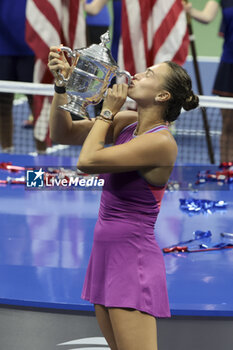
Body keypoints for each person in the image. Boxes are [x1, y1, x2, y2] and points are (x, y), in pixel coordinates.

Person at [48, 46, 199, 350]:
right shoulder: (127, 123)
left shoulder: (161, 142)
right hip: (105, 255)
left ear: (162, 96)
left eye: (150, 74)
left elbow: (87, 161)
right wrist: (63, 87)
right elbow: (61, 134)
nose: (138, 74)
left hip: (133, 262)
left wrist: (107, 110)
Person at [182, 0, 233, 162]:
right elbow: (206, 17)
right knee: (229, 124)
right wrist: (189, 10)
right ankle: (227, 167)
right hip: (229, 66)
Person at [0, 0, 34, 153]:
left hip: (32, 49)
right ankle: (7, 151)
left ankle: (43, 154)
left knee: (37, 103)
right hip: (3, 48)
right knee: (2, 105)